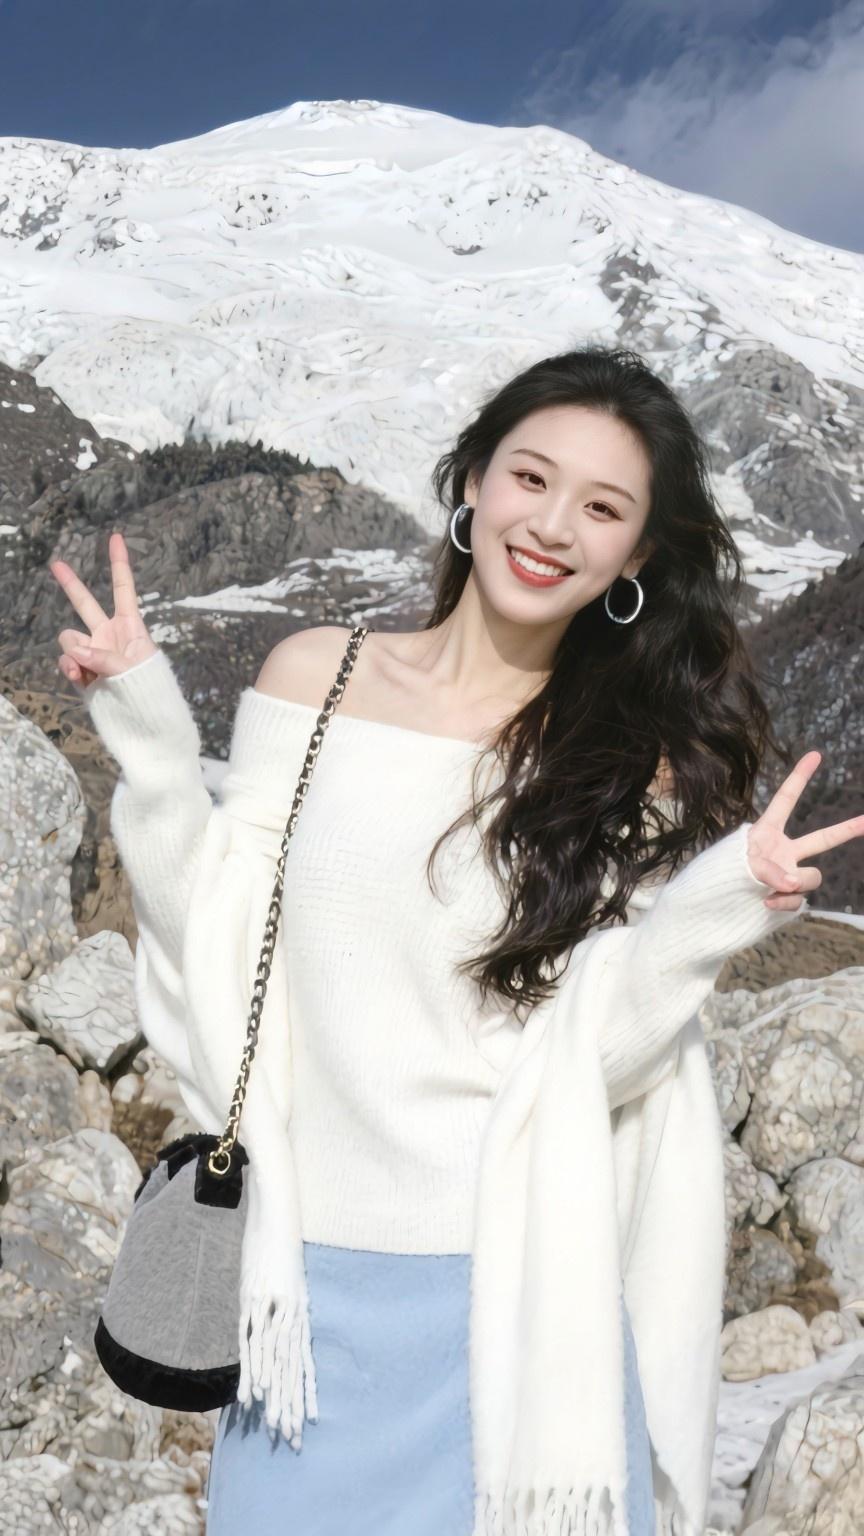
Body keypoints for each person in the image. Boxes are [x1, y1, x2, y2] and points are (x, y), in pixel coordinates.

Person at [50, 345, 864, 1536]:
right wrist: (152, 741)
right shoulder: (316, 679)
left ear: (637, 557)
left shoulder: (625, 767)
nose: (553, 525)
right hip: (303, 1307)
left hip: (520, 1307)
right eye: (531, 478)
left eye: (603, 508)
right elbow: (209, 934)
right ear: (473, 480)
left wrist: (718, 906)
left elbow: (599, 1053)